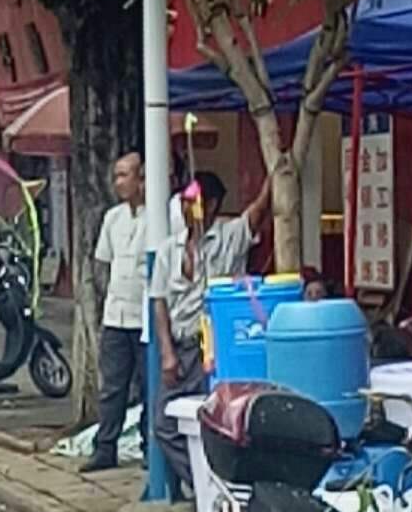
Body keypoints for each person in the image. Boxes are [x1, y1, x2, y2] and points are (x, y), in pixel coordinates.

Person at [151, 168, 272, 492]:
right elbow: (159, 303)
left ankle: (221, 490)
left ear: (214, 204)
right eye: (186, 202)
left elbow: (259, 209)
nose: (190, 209)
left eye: (197, 202)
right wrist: (166, 353)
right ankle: (206, 485)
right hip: (181, 347)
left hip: (217, 348)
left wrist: (276, 171)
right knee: (164, 424)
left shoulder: (229, 236)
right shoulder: (168, 250)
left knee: (216, 423)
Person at [83, 150, 147, 473]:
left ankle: (152, 450)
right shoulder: (113, 218)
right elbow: (103, 263)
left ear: (142, 178)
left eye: (125, 175)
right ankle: (105, 448)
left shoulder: (159, 216)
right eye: (116, 176)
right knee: (112, 387)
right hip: (116, 315)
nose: (118, 182)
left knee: (149, 387)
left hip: (146, 317)